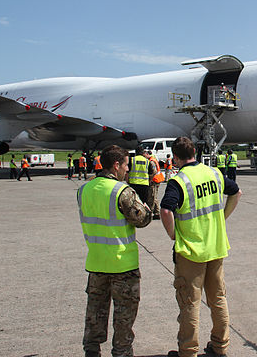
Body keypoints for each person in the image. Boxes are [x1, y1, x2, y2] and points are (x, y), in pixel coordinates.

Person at [161, 137, 242, 357]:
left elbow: (166, 210)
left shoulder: (179, 181)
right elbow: (236, 192)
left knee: (190, 302)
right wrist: (222, 218)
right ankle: (220, 346)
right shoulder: (214, 173)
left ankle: (188, 351)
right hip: (216, 247)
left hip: (191, 252)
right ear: (195, 152)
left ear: (176, 158)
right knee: (217, 299)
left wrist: (173, 234)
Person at [78, 144, 153, 357]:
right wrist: (147, 211)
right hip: (123, 265)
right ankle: (121, 353)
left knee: (95, 314)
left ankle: (91, 351)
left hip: (96, 263)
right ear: (116, 165)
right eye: (126, 166)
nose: (127, 170)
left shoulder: (84, 190)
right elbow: (141, 220)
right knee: (124, 317)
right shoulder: (122, 191)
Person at [145, 150, 163, 220]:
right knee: (154, 197)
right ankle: (157, 213)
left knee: (152, 196)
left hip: (155, 181)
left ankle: (153, 212)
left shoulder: (151, 161)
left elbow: (154, 172)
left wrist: (150, 179)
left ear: (147, 154)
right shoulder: (152, 159)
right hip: (156, 180)